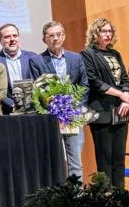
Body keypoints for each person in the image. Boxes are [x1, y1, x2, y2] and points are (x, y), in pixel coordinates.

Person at [81, 18, 129, 188]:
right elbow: (94, 81)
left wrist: (126, 99)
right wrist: (121, 94)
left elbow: (125, 78)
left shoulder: (115, 54)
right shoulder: (87, 54)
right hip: (102, 112)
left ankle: (119, 193)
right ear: (94, 34)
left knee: (119, 156)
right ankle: (107, 197)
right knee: (105, 157)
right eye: (103, 31)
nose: (107, 34)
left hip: (121, 109)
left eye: (109, 31)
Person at [29, 21, 89, 179]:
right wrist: (56, 110)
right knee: (54, 162)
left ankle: (77, 200)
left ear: (64, 36)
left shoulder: (76, 58)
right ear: (44, 40)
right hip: (51, 120)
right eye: (51, 36)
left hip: (73, 118)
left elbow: (84, 86)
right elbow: (38, 90)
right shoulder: (36, 61)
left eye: (58, 34)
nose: (55, 38)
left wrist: (74, 109)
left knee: (75, 162)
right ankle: (60, 200)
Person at [0, 23, 37, 113]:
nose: (12, 39)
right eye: (7, 37)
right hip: (7, 111)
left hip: (32, 110)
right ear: (0, 40)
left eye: (15, 36)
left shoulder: (32, 57)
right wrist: (13, 105)